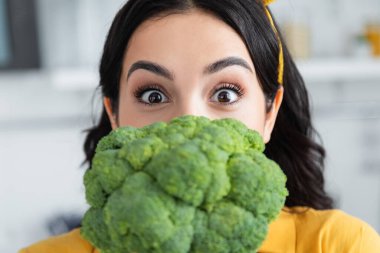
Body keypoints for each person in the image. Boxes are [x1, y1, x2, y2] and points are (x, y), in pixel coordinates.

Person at [20, 0, 380, 252]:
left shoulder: (339, 245)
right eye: (153, 95)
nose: (189, 122)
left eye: (225, 94)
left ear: (270, 113)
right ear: (114, 117)